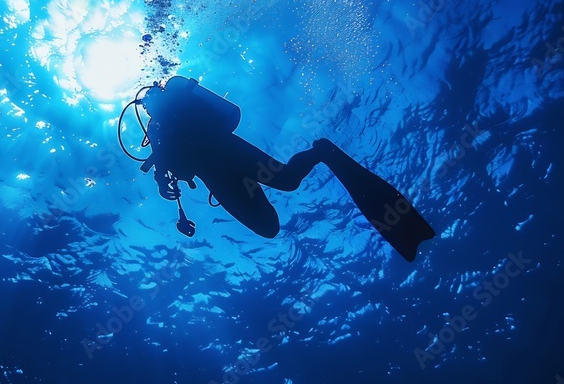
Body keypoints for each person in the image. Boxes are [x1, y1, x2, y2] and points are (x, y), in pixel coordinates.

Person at [123, 76, 435, 262]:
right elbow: (165, 175)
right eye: (149, 106)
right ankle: (319, 153)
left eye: (148, 103)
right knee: (271, 221)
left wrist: (166, 183)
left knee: (285, 186)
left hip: (226, 161)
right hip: (225, 167)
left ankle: (322, 152)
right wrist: (167, 186)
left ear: (149, 102)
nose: (150, 107)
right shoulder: (161, 130)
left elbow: (166, 173)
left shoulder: (162, 126)